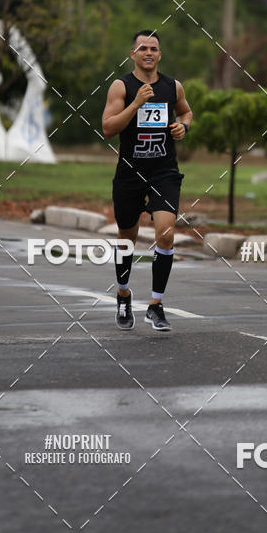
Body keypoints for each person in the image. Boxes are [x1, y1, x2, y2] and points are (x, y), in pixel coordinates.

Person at [101, 30, 192, 331]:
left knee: (165, 234)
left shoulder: (172, 86)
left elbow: (187, 112)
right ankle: (124, 295)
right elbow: (108, 128)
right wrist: (136, 103)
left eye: (154, 48)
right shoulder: (121, 86)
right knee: (127, 236)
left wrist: (183, 126)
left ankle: (155, 305)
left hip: (163, 171)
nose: (149, 52)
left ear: (160, 54)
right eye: (143, 48)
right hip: (130, 171)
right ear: (133, 54)